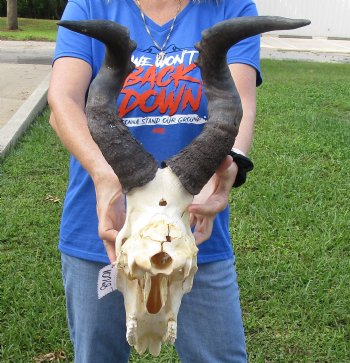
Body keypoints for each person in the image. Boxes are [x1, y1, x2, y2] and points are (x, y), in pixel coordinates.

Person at [48, 0, 261, 361]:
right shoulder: (89, 4)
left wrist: (229, 167)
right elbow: (63, 100)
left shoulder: (232, 6)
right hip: (106, 228)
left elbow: (237, 104)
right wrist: (103, 174)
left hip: (192, 231)